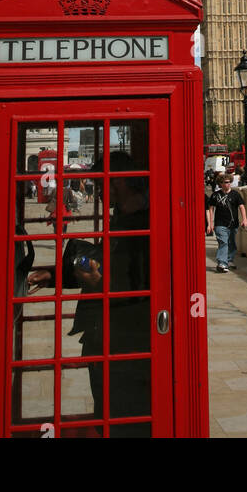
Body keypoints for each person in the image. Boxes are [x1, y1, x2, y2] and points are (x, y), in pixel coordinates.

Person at [28, 150, 151, 437]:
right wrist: (56, 274)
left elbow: (142, 288)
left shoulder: (145, 225)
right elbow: (106, 262)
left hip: (128, 343)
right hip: (106, 336)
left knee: (122, 418)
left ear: (117, 184)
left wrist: (99, 281)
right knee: (106, 412)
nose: (96, 194)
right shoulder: (122, 217)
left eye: (99, 185)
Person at [206, 174, 247, 272]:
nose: (228, 184)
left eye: (229, 182)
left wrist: (244, 219)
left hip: (233, 223)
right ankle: (222, 263)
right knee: (223, 242)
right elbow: (211, 209)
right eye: (225, 182)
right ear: (220, 184)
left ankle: (229, 260)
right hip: (220, 223)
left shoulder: (235, 194)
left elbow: (241, 207)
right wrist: (210, 223)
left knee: (231, 243)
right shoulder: (215, 195)